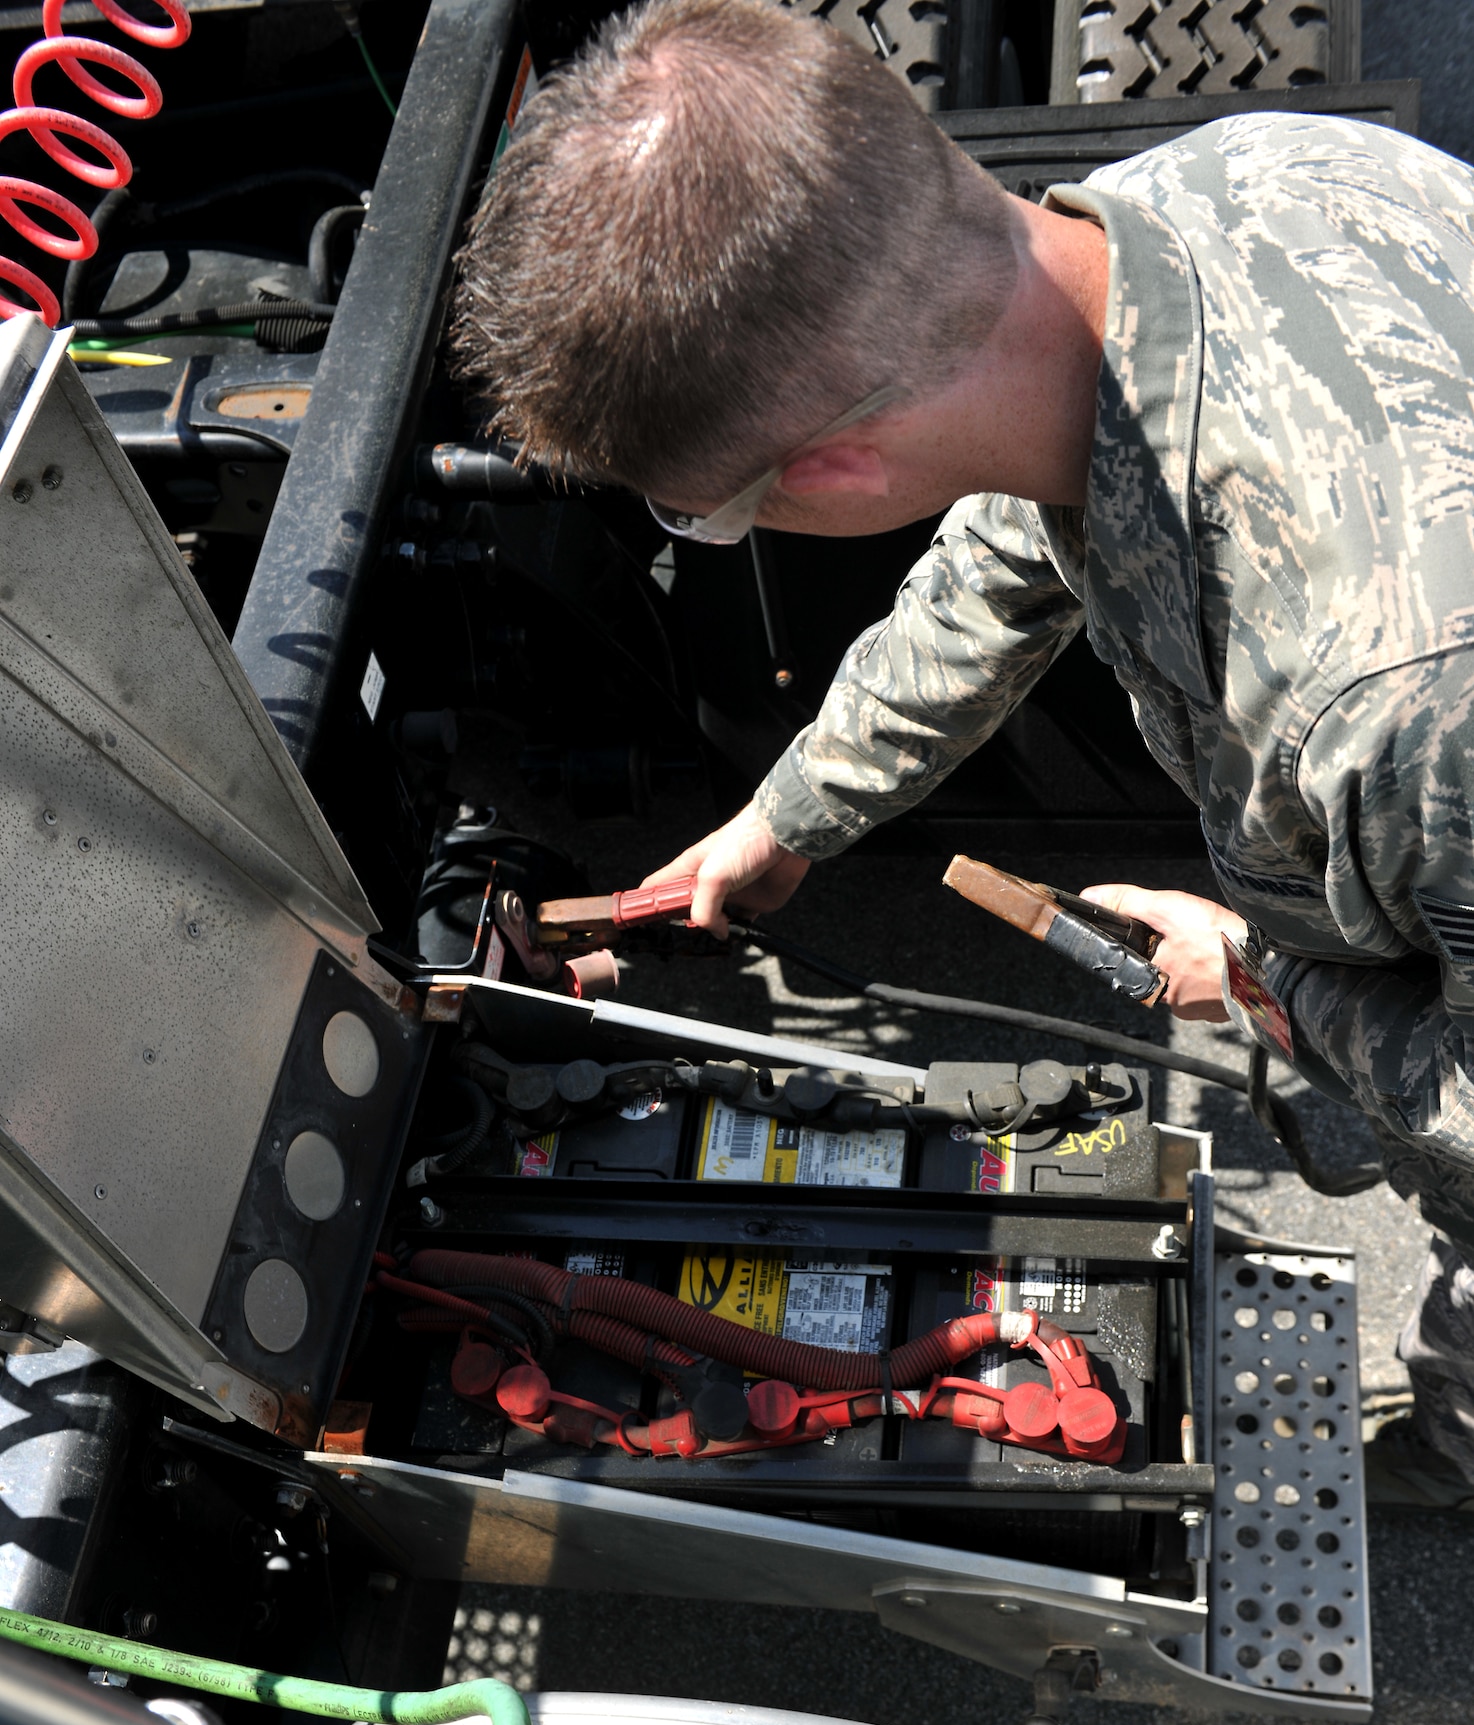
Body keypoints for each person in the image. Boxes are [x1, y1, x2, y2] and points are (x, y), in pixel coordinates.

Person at [453, 0, 1474, 1502]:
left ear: (836, 467)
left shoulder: (1391, 698)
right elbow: (1015, 543)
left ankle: (1454, 1449)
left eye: (712, 515)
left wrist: (1257, 981)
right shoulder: (1229, 183)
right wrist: (787, 817)